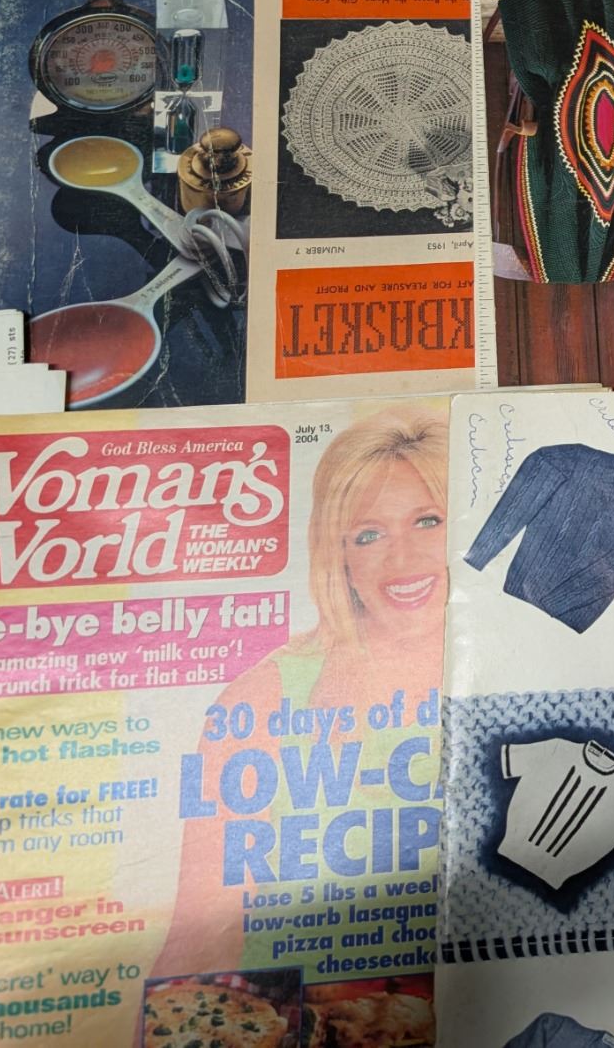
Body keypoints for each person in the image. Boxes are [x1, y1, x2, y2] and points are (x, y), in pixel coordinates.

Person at [153, 405, 450, 978]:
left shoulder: (532, 662)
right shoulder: (260, 700)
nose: (402, 559)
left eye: (428, 521)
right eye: (368, 535)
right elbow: (200, 946)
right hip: (305, 1012)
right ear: (339, 554)